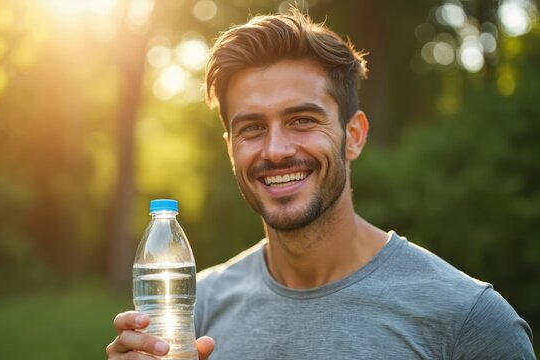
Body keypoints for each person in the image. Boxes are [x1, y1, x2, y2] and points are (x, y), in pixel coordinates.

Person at [107, 9, 535, 360]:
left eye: (302, 120)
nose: (275, 150)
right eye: (252, 128)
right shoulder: (196, 314)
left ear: (354, 136)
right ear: (230, 148)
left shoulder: (468, 322)